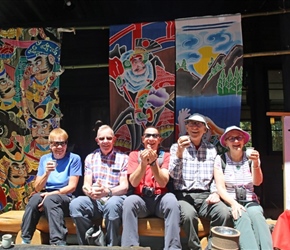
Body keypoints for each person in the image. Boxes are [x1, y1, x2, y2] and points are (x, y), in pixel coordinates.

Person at [168, 113, 232, 250]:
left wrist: (215, 192)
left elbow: (216, 176)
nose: (195, 127)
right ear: (186, 127)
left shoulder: (211, 149)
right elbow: (173, 175)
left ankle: (211, 247)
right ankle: (194, 247)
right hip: (183, 195)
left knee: (224, 213)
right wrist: (179, 153)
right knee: (188, 216)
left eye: (199, 124)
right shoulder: (176, 147)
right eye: (191, 124)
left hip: (206, 196)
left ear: (205, 130)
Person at [121, 126, 182, 249]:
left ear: (159, 140)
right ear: (143, 139)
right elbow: (133, 182)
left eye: (155, 136)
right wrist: (143, 163)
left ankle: (173, 248)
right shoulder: (134, 155)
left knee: (172, 201)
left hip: (160, 199)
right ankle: (130, 247)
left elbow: (163, 182)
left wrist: (153, 163)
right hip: (142, 200)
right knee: (128, 202)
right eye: (148, 135)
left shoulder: (166, 156)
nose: (151, 138)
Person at [214, 125, 273, 249]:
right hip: (231, 201)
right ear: (226, 142)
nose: (236, 141)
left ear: (244, 140)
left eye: (239, 138)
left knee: (257, 216)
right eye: (231, 138)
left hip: (250, 200)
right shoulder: (220, 160)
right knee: (242, 217)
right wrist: (233, 204)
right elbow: (220, 188)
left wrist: (256, 163)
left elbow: (257, 182)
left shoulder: (251, 158)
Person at [21, 128, 82, 246]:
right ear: (50, 145)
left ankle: (58, 242)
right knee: (34, 199)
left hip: (66, 196)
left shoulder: (74, 159)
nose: (59, 147)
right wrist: (47, 173)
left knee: (50, 199)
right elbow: (37, 188)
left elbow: (72, 187)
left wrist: (50, 194)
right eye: (55, 144)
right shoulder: (45, 159)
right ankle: (25, 239)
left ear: (66, 144)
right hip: (47, 193)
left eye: (62, 143)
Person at [69, 125, 128, 246]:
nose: (105, 141)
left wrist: (107, 191)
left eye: (108, 138)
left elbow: (124, 187)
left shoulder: (123, 158)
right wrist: (90, 192)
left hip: (114, 197)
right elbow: (86, 185)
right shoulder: (90, 158)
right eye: (102, 139)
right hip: (95, 200)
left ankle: (112, 246)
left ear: (114, 139)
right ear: (97, 141)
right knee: (75, 204)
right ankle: (89, 242)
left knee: (112, 205)